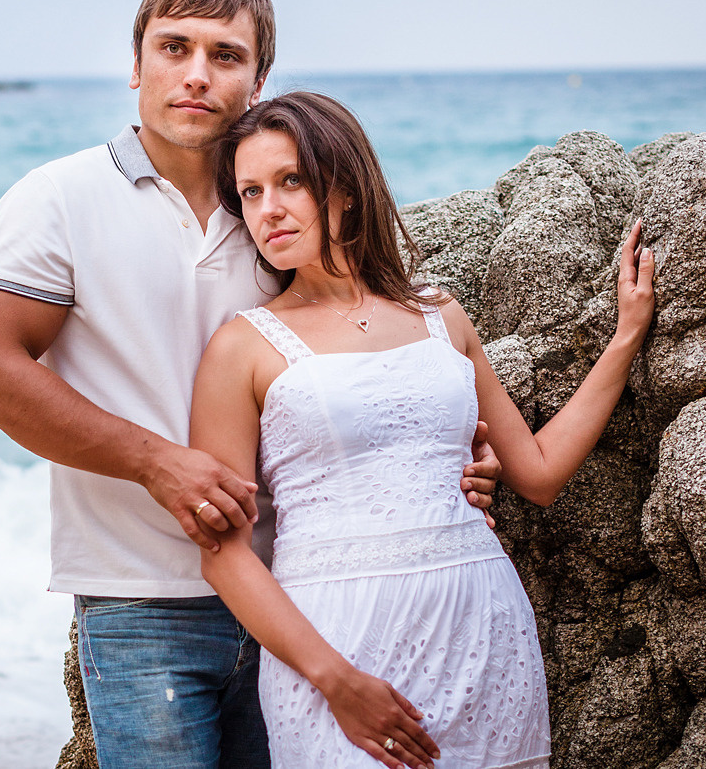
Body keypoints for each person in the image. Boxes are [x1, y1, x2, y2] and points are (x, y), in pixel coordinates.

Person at [0, 0, 499, 768]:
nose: (196, 73)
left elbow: (364, 345)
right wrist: (155, 463)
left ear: (257, 81)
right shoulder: (57, 199)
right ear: (136, 64)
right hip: (141, 601)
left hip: (305, 596)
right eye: (173, 47)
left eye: (225, 54)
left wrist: (448, 453)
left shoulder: (276, 209)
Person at [191, 92, 655, 769]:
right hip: (338, 648)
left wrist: (626, 337)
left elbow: (540, 472)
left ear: (344, 188)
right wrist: (335, 680)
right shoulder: (241, 347)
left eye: (291, 181)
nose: (269, 209)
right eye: (250, 191)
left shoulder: (439, 313)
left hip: (482, 630)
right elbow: (223, 552)